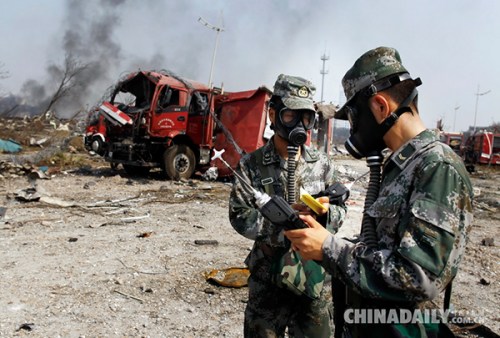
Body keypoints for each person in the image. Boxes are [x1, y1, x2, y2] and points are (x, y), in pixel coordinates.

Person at [284, 47, 474, 337]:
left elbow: (417, 277)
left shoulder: (437, 168)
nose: (355, 129)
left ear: (380, 106)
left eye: (355, 117)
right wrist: (322, 233)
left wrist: (329, 248)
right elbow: (383, 247)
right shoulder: (401, 164)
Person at [229, 74, 346, 337]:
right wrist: (283, 226)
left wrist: (323, 217)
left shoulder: (323, 163)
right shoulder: (252, 164)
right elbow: (239, 214)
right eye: (291, 115)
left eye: (306, 118)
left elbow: (340, 209)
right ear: (273, 114)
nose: (300, 125)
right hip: (268, 276)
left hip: (314, 276)